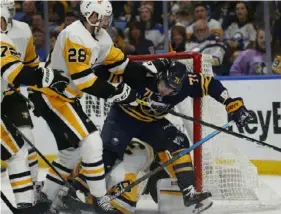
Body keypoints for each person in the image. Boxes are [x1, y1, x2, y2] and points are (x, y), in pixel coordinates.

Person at [69, 53, 252, 214]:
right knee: (108, 154)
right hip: (123, 119)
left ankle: (188, 192)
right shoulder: (140, 74)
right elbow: (102, 71)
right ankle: (76, 191)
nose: (167, 91)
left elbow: (209, 83)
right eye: (165, 84)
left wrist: (231, 103)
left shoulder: (186, 83)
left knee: (179, 140)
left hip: (151, 123)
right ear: (160, 75)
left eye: (173, 89)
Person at [28, 1, 142, 213]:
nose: (101, 22)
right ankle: (99, 200)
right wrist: (118, 93)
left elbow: (122, 65)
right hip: (51, 95)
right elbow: (83, 80)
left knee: (70, 154)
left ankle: (46, 198)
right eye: (96, 17)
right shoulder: (75, 35)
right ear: (87, 15)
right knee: (92, 142)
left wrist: (150, 76)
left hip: (65, 97)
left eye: (105, 18)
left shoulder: (103, 38)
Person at [1, 7, 69, 212]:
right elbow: (15, 72)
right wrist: (50, 79)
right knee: (17, 154)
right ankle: (26, 205)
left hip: (7, 97)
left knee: (18, 150)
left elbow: (28, 67)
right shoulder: (2, 41)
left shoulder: (19, 32)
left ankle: (27, 201)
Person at [0, 0, 41, 192]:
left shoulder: (24, 29)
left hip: (11, 94)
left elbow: (32, 63)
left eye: (11, 8)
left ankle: (33, 186)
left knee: (28, 139)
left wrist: (38, 89)